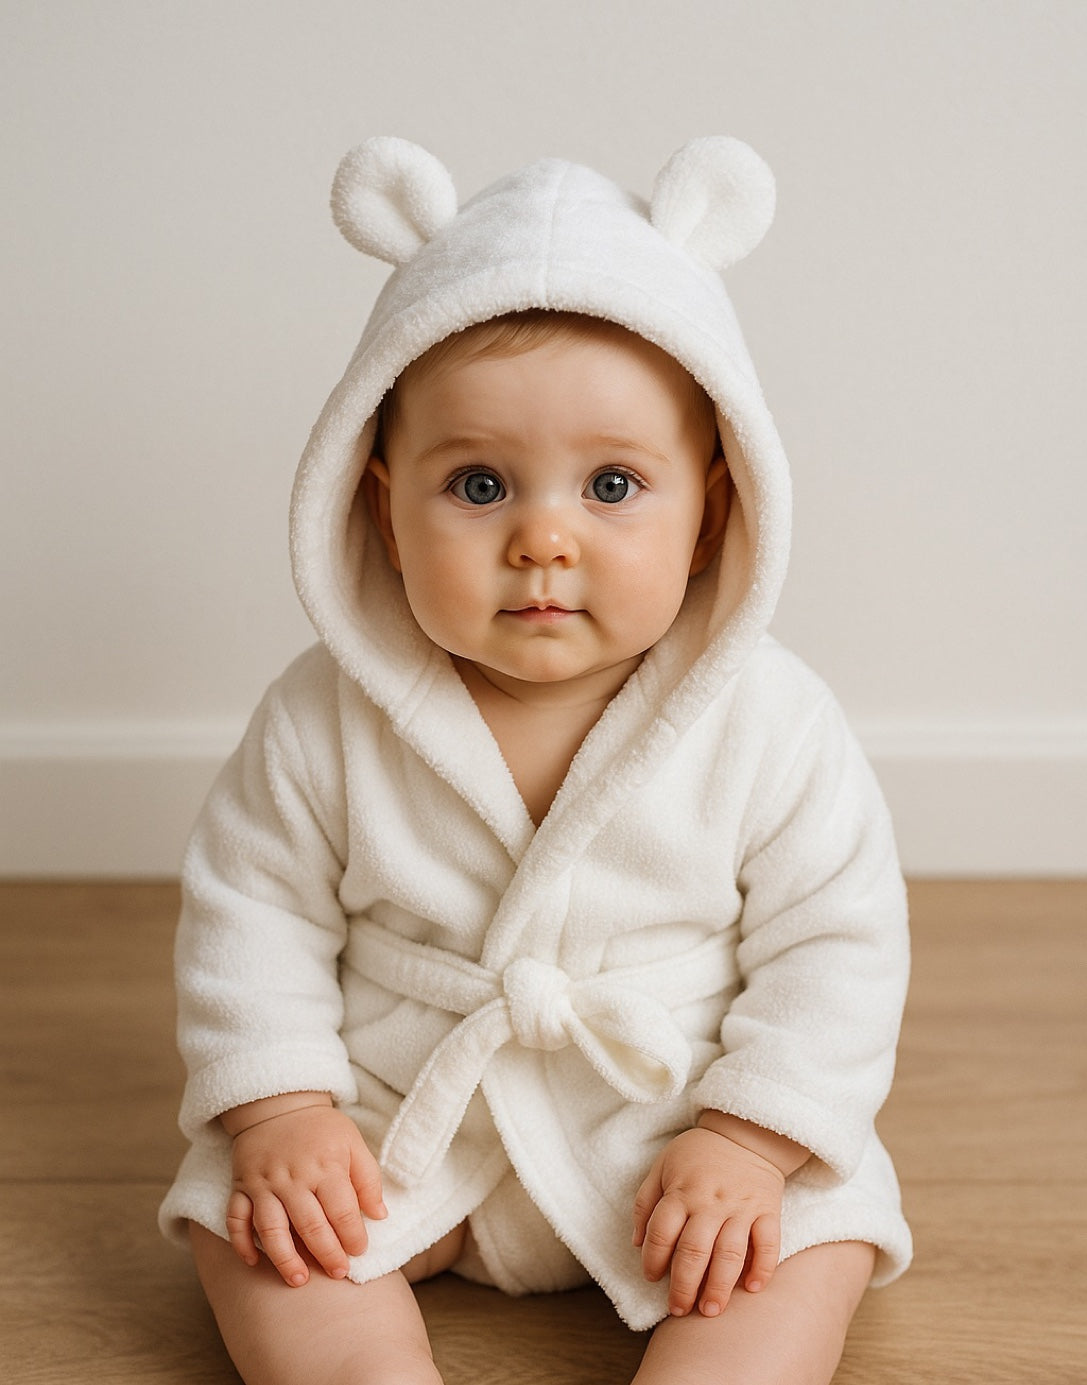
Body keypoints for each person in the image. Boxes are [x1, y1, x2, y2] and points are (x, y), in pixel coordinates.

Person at [159, 136, 912, 1384]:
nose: (543, 539)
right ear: (379, 506)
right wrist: (284, 1111)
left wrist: (748, 1135)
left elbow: (837, 941)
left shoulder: (772, 721)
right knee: (251, 1223)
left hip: (669, 1127)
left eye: (613, 483)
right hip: (406, 1117)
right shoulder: (320, 718)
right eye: (479, 483)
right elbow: (252, 913)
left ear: (715, 511)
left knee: (815, 1228)